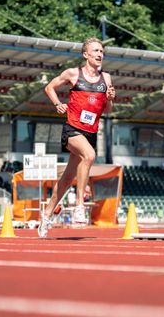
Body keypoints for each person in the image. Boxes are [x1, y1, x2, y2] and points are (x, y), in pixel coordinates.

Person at [38, 37, 115, 237]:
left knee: (66, 179)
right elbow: (49, 87)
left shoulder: (106, 78)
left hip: (90, 132)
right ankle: (80, 205)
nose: (100, 54)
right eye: (96, 51)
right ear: (85, 55)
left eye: (101, 51)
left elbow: (107, 110)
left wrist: (110, 99)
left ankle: (46, 215)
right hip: (72, 129)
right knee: (89, 155)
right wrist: (57, 104)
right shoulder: (73, 74)